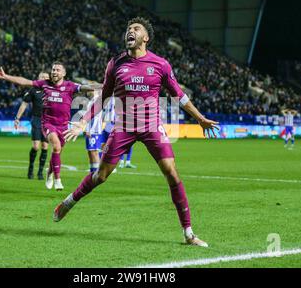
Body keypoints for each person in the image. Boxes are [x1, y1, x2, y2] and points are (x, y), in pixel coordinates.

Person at [56, 17, 219, 246]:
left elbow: (179, 96)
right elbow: (104, 97)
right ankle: (69, 201)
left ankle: (188, 233)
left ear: (146, 37)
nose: (130, 31)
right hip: (123, 127)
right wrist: (83, 121)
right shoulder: (116, 63)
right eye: (128, 29)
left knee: (172, 173)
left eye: (135, 29)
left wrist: (200, 119)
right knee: (101, 176)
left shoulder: (160, 64)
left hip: (152, 126)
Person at [0, 61, 102, 191]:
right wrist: (6, 77)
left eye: (57, 70)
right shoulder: (44, 84)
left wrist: (105, 85)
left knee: (57, 151)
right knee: (56, 146)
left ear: (64, 73)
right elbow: (24, 82)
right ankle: (58, 180)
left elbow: (87, 87)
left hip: (63, 125)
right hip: (48, 123)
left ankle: (49, 173)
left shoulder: (70, 86)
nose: (54, 72)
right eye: (53, 69)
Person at [14, 72, 50, 180]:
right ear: (38, 78)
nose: (44, 79)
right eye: (42, 77)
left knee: (45, 146)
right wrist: (17, 118)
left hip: (48, 121)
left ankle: (40, 172)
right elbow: (24, 103)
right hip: (37, 119)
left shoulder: (52, 90)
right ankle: (30, 168)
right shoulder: (33, 90)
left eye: (46, 77)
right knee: (36, 146)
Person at [84, 90, 103, 173]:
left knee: (94, 151)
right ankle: (92, 172)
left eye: (90, 90)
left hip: (93, 130)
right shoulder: (92, 100)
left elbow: (94, 117)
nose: (87, 91)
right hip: (91, 129)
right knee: (90, 151)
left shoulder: (96, 100)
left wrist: (89, 130)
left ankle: (96, 173)